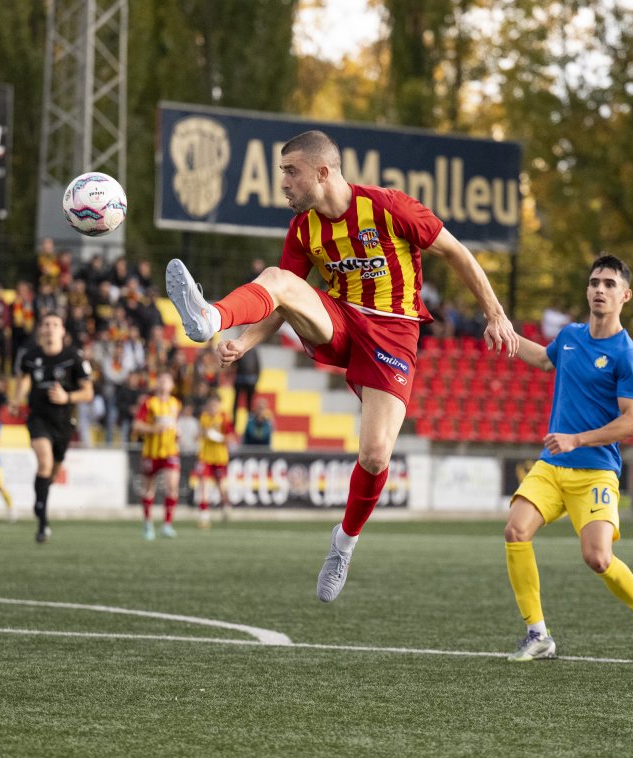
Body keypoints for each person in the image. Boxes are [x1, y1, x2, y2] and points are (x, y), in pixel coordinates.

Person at [165, 129, 517, 602]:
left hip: (393, 332)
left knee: (375, 455)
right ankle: (211, 317)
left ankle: (344, 543)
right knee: (278, 278)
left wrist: (495, 313)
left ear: (323, 172)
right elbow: (281, 298)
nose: (283, 183)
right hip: (340, 321)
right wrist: (244, 341)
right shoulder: (302, 230)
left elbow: (456, 251)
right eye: (282, 173)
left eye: (291, 172)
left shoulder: (389, 207)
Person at [502, 254, 633, 663]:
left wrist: (577, 439)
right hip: (552, 467)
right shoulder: (569, 337)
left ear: (625, 295)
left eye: (608, 283)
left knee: (598, 557)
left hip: (596, 471)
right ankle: (538, 634)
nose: (599, 289)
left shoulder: (627, 355)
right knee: (515, 530)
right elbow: (545, 358)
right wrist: (507, 337)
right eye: (594, 282)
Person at [12, 312, 94, 543]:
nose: (49, 328)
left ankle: (41, 502)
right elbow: (25, 380)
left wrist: (66, 397)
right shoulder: (30, 356)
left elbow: (88, 392)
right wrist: (17, 399)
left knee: (53, 471)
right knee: (44, 462)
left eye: (55, 324)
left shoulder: (73, 357)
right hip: (38, 418)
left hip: (63, 423)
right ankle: (42, 519)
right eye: (46, 324)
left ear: (62, 331)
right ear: (40, 330)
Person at [133, 371, 182, 541]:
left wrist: (177, 434)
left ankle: (167, 525)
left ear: (172, 386)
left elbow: (174, 425)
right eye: (160, 380)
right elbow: (137, 425)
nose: (163, 383)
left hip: (170, 451)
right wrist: (154, 429)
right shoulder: (149, 403)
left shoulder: (175, 404)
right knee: (148, 489)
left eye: (166, 380)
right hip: (151, 452)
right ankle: (148, 524)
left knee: (172, 486)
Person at [195, 393, 234, 528]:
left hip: (220, 457)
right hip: (205, 456)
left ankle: (226, 505)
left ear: (219, 405)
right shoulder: (203, 417)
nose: (212, 408)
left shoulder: (224, 418)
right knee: (203, 486)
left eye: (214, 405)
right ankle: (204, 517)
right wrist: (201, 435)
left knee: (221, 486)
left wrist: (216, 436)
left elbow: (230, 438)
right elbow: (199, 435)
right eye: (210, 405)